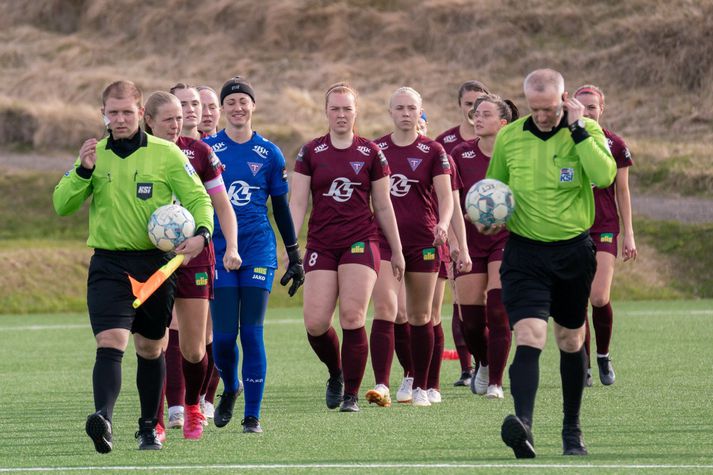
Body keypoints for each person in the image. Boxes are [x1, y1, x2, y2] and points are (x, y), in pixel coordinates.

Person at [53, 80, 214, 452]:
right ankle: (103, 419)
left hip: (155, 265)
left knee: (151, 348)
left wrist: (202, 233)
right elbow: (61, 204)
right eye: (113, 112)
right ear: (103, 115)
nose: (120, 119)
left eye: (127, 112)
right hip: (108, 263)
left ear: (141, 114)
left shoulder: (167, 154)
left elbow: (199, 199)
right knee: (110, 342)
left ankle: (147, 426)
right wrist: (82, 171)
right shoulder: (94, 155)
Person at [485, 69, 616, 458]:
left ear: (564, 100)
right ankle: (522, 427)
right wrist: (488, 217)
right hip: (525, 253)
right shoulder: (510, 137)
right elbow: (495, 189)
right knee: (529, 336)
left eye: (549, 108)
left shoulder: (586, 131)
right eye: (534, 108)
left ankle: (571, 430)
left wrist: (578, 131)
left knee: (571, 340)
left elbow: (604, 175)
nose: (542, 115)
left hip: (573, 253)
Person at [289, 82, 404, 413]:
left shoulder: (371, 152)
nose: (341, 114)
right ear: (326, 112)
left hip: (360, 240)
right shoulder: (310, 152)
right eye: (335, 108)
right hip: (322, 243)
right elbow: (297, 203)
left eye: (347, 108)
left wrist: (395, 250)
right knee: (315, 323)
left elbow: (383, 206)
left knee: (353, 316)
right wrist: (289, 245)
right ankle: (336, 372)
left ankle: (351, 395)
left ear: (357, 112)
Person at [204, 76, 304, 433]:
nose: (238, 107)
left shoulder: (269, 154)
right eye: (230, 102)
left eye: (243, 101)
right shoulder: (208, 148)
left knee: (252, 332)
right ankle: (231, 387)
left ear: (253, 106)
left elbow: (280, 209)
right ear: (222, 109)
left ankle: (253, 416)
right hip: (217, 250)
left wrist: (294, 254)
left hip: (258, 249)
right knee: (225, 337)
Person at [143, 90, 241, 441]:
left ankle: (195, 406)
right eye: (170, 117)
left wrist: (231, 245)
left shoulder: (199, 152)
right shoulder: (137, 152)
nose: (176, 123)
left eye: (181, 117)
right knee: (154, 340)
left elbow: (222, 204)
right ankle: (153, 420)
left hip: (195, 256)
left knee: (195, 347)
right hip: (151, 259)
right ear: (149, 120)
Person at [365, 87, 455, 408]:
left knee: (420, 316)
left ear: (420, 112)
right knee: (389, 310)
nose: (406, 113)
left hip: (423, 242)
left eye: (411, 108)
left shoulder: (433, 151)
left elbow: (447, 198)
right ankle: (381, 384)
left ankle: (423, 384)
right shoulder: (375, 150)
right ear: (390, 112)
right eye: (399, 108)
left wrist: (443, 225)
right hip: (385, 241)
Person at [452, 94, 519, 400]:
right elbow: (450, 201)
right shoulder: (460, 154)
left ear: (502, 123)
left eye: (486, 114)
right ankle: (483, 362)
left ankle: (495, 382)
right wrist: (467, 221)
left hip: (506, 239)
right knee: (472, 322)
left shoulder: (517, 155)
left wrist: (506, 215)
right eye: (476, 113)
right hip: (471, 240)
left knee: (497, 308)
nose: (477, 118)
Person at [574, 84, 637, 387]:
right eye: (581, 106)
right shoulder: (565, 140)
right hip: (572, 228)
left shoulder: (614, 144)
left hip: (604, 227)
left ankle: (603, 355)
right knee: (576, 299)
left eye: (592, 107)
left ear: (602, 109)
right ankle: (582, 364)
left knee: (599, 296)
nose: (586, 112)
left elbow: (622, 191)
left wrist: (629, 235)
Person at [436, 80, 491, 387]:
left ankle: (490, 364)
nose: (473, 110)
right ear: (460, 105)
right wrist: (453, 237)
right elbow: (441, 191)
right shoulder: (446, 143)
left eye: (479, 104)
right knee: (461, 301)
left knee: (494, 303)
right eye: (468, 104)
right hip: (459, 233)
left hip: (498, 236)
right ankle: (467, 368)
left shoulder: (503, 142)